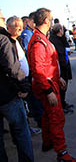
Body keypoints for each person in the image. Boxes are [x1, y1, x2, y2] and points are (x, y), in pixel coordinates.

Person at [27, 8, 76, 161]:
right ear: (47, 21)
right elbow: (38, 69)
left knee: (48, 116)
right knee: (56, 117)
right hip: (47, 85)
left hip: (50, 82)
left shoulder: (41, 38)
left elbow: (47, 64)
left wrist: (58, 78)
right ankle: (62, 152)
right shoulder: (38, 42)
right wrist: (49, 90)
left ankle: (47, 141)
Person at [0, 11, 34, 162]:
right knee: (21, 132)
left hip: (7, 93)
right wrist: (24, 87)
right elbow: (12, 68)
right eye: (2, 17)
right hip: (7, 95)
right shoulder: (3, 39)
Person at [49, 24, 74, 113]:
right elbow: (59, 55)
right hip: (60, 68)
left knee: (64, 87)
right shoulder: (54, 40)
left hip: (64, 66)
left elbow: (65, 49)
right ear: (60, 30)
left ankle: (63, 103)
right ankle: (61, 106)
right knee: (61, 88)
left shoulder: (60, 39)